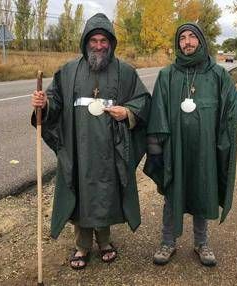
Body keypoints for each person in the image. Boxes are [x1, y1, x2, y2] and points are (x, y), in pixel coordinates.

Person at [143, 22, 237, 267]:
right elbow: (156, 114)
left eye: (192, 37)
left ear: (201, 41)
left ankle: (201, 243)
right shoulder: (167, 75)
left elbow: (233, 111)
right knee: (172, 195)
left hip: (205, 152)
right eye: (183, 38)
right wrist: (155, 151)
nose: (187, 42)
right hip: (175, 151)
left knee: (203, 192)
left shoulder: (218, 75)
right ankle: (167, 241)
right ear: (178, 43)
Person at [31, 13, 150, 270]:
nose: (98, 45)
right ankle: (82, 245)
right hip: (78, 147)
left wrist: (127, 112)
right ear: (86, 41)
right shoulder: (69, 71)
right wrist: (45, 104)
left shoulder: (126, 72)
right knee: (81, 192)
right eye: (94, 40)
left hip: (110, 148)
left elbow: (143, 101)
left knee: (106, 191)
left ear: (111, 43)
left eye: (103, 40)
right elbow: (55, 101)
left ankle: (105, 241)